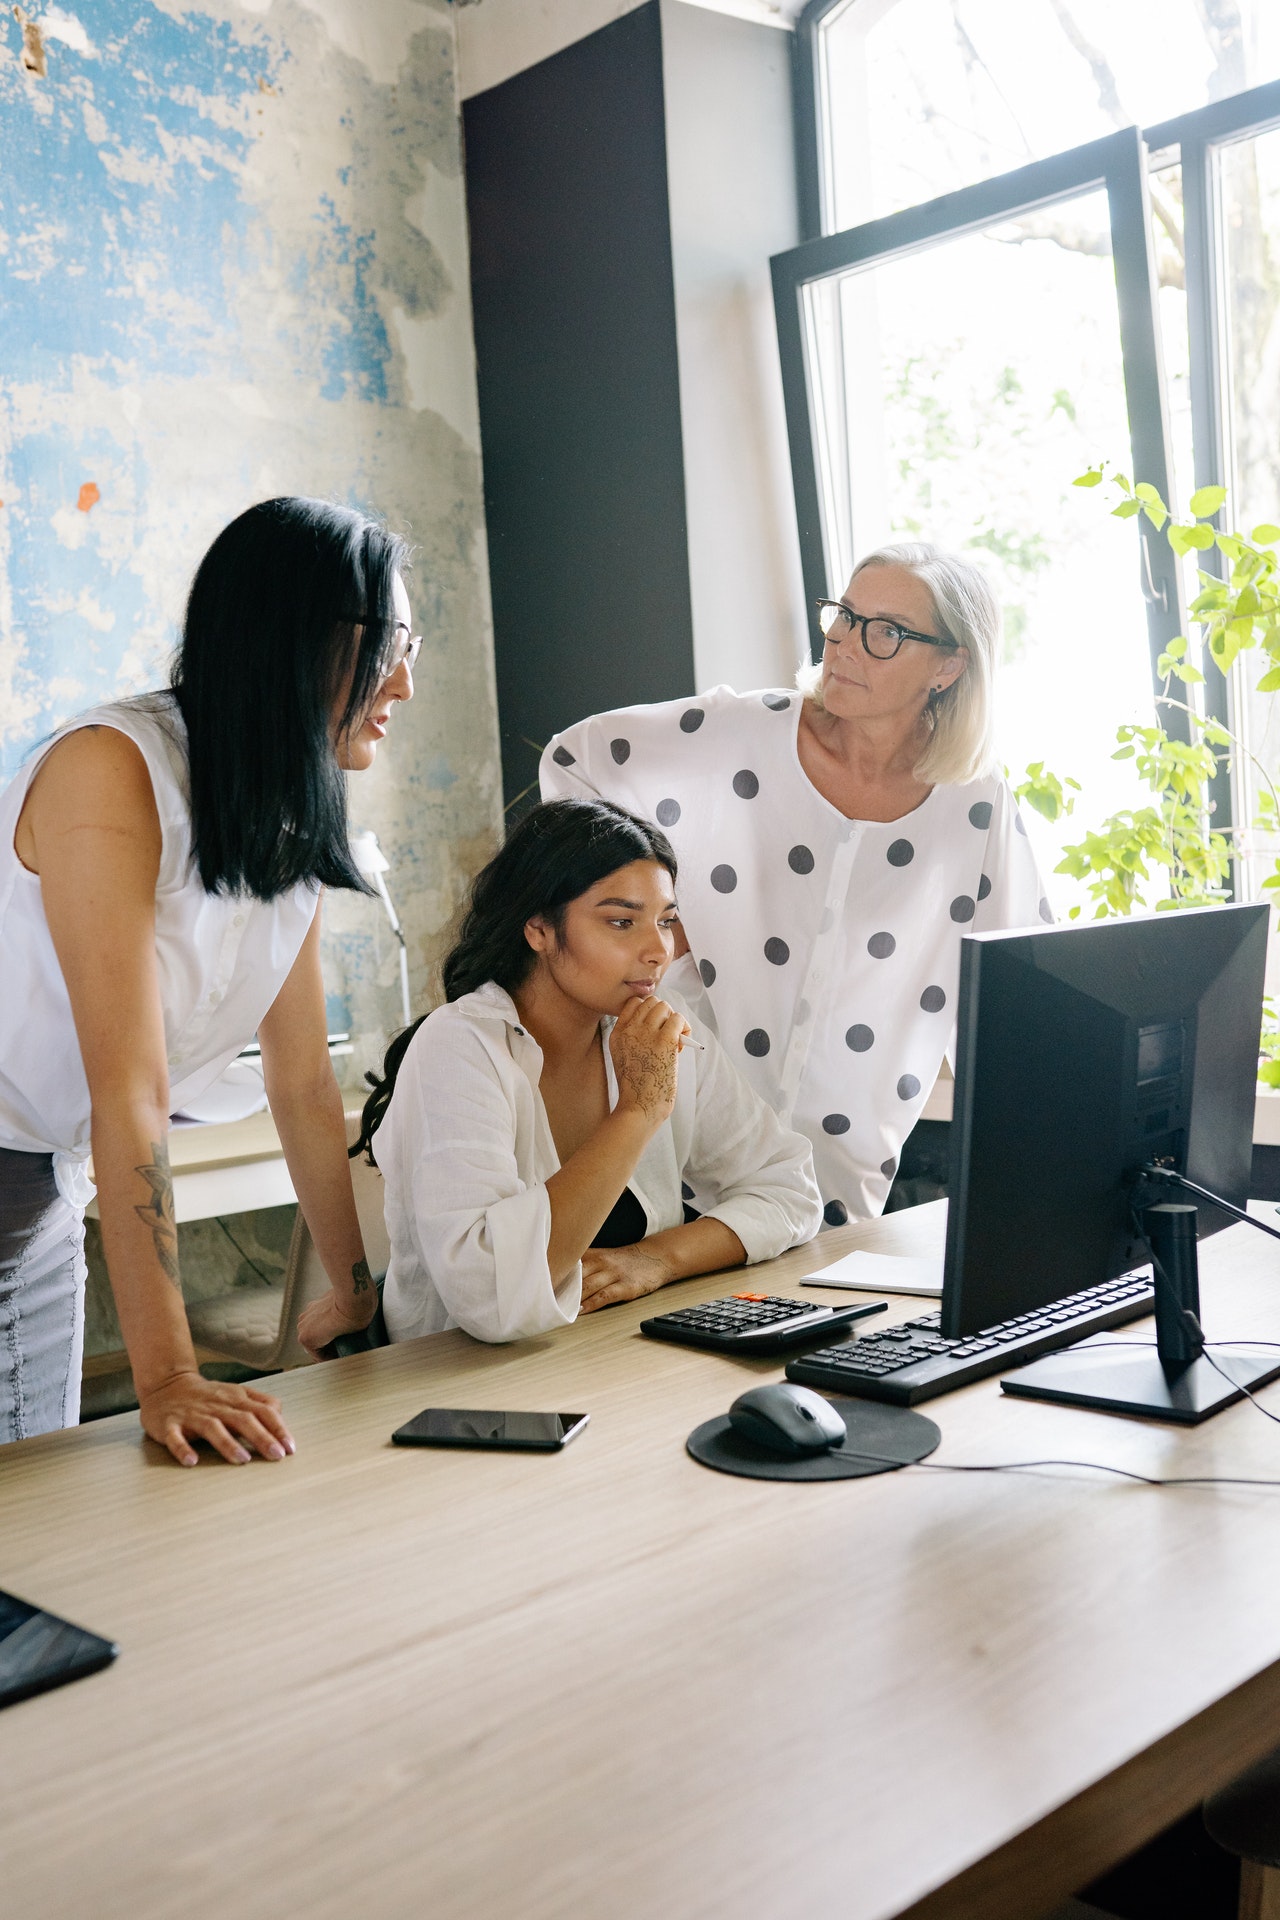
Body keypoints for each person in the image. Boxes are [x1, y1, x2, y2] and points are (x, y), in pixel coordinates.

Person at [0, 497, 414, 1464]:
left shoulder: (287, 800)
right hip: (22, 1161)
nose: (405, 679)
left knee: (35, 1513)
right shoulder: (111, 767)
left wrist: (355, 1298)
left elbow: (304, 1083)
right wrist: (170, 1375)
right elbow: (128, 1088)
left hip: (38, 1178)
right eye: (392, 640)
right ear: (303, 639)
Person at [541, 541, 1049, 1227]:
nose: (844, 642)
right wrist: (669, 943)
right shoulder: (739, 733)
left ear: (950, 666)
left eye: (886, 633)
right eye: (844, 614)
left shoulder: (975, 804)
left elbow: (1021, 998)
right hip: (679, 1127)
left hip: (839, 1171)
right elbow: (575, 761)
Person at [353, 798, 821, 1344]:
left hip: (616, 1354)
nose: (658, 952)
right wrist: (640, 1111)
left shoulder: (663, 1025)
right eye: (622, 922)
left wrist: (657, 1260)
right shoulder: (459, 1047)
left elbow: (790, 1188)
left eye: (666, 921)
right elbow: (489, 1297)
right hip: (458, 1383)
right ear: (539, 930)